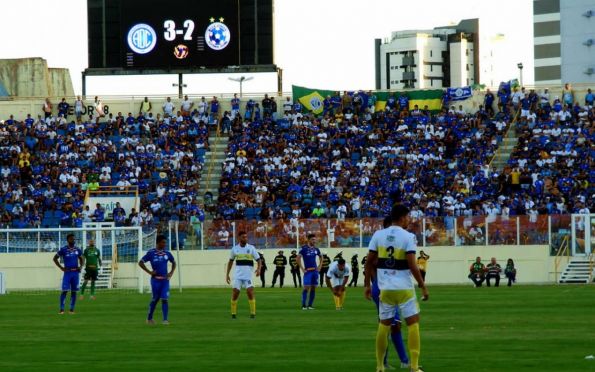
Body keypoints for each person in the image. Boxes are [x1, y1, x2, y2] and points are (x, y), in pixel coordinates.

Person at [365, 206, 428, 372]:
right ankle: (414, 366)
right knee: (413, 324)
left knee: (383, 325)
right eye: (408, 217)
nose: (409, 220)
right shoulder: (408, 236)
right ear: (402, 217)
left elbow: (369, 261)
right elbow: (412, 265)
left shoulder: (378, 235)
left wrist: (366, 285)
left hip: (385, 289)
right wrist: (422, 285)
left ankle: (379, 366)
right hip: (404, 289)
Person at [369, 216, 410, 370]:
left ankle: (402, 360)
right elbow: (370, 263)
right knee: (389, 325)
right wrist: (375, 283)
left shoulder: (391, 242)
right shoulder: (381, 241)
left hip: (391, 286)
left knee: (394, 325)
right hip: (382, 287)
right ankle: (390, 361)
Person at [138, 235, 177, 325]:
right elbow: (140, 262)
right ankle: (149, 318)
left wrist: (171, 272)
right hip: (155, 281)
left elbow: (174, 262)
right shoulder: (151, 253)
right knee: (155, 299)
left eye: (165, 242)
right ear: (158, 242)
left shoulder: (167, 253)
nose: (164, 244)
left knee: (164, 299)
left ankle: (165, 320)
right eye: (163, 242)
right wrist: (149, 272)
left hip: (165, 281)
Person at [225, 232, 262, 319]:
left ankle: (253, 313)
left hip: (248, 276)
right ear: (239, 238)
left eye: (246, 237)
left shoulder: (251, 248)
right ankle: (233, 314)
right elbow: (230, 262)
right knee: (235, 293)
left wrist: (259, 269)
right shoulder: (235, 249)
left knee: (249, 292)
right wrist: (227, 274)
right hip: (238, 276)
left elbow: (259, 260)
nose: (245, 239)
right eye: (243, 237)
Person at [53, 233, 83, 314]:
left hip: (75, 273)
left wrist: (80, 267)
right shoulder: (63, 249)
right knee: (64, 291)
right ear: (68, 240)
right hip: (67, 272)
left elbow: (81, 258)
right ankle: (62, 309)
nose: (73, 240)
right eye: (72, 239)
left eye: (74, 239)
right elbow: (55, 258)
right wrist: (61, 267)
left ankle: (71, 310)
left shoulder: (77, 249)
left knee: (74, 292)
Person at [297, 233, 322, 310]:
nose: (314, 241)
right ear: (308, 240)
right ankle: (304, 305)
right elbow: (298, 259)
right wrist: (302, 268)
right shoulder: (303, 249)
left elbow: (321, 257)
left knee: (313, 288)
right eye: (312, 239)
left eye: (315, 239)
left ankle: (310, 305)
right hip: (308, 271)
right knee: (306, 287)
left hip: (315, 271)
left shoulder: (316, 249)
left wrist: (319, 266)